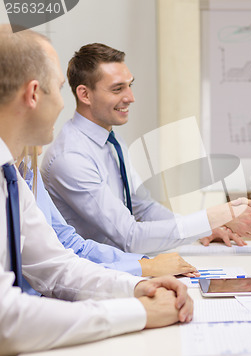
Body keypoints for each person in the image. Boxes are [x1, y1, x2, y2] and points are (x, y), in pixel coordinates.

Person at [0, 25, 193, 355]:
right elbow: (6, 322)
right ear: (33, 94)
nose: (64, 104)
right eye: (59, 89)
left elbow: (57, 266)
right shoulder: (37, 164)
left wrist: (138, 287)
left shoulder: (11, 176)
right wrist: (139, 312)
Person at [41, 43, 251, 255]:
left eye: (130, 85)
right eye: (117, 89)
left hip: (120, 266)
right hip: (89, 279)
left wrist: (201, 230)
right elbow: (130, 236)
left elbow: (144, 207)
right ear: (84, 94)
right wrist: (213, 218)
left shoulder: (112, 140)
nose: (130, 97)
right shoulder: (70, 157)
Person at [18, 146, 199, 281]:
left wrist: (145, 264)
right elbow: (54, 269)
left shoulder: (28, 172)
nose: (61, 105)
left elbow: (70, 245)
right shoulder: (68, 156)